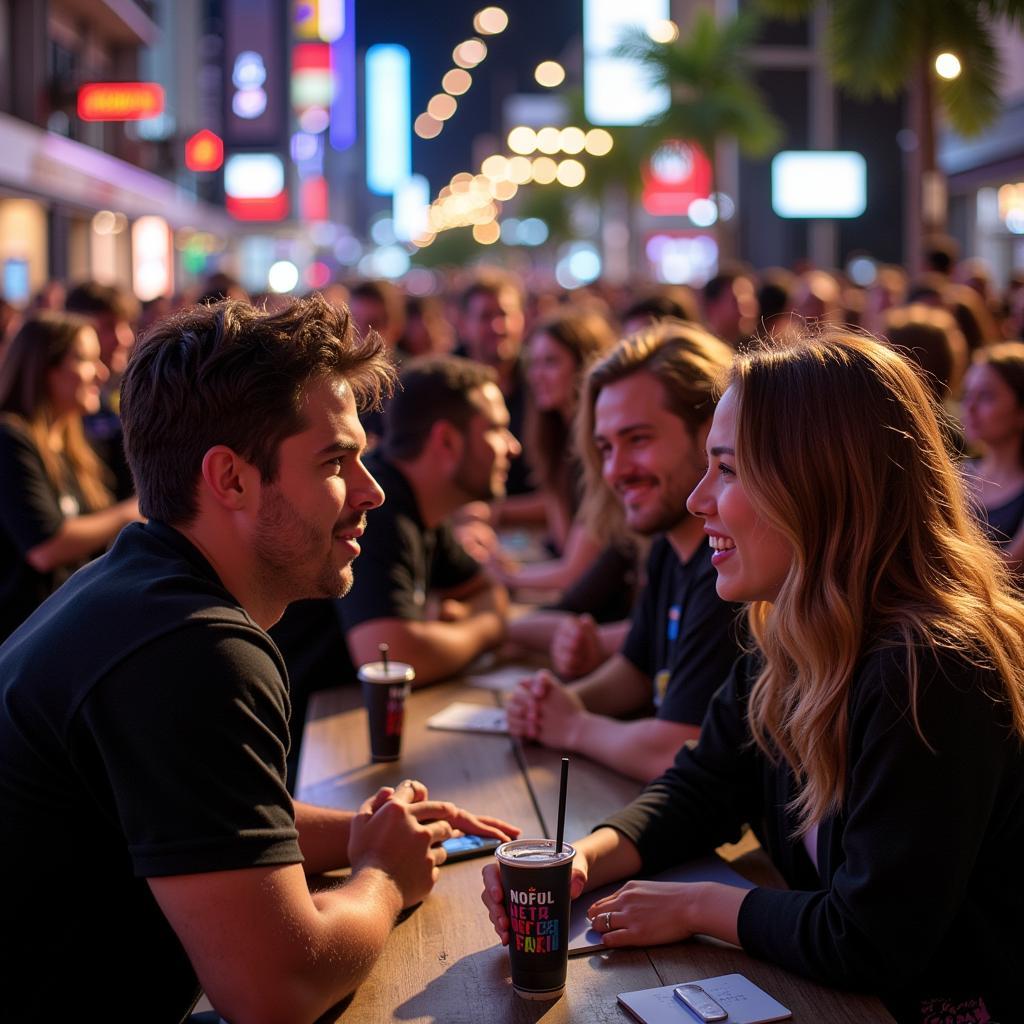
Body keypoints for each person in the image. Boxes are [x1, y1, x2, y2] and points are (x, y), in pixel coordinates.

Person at [0, 295, 516, 1023]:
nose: (370, 493)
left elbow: (201, 818)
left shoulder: (135, 587)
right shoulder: (191, 648)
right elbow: (277, 992)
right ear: (231, 479)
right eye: (337, 461)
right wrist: (382, 876)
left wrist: (359, 834)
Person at [484, 329, 1024, 1024]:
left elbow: (871, 940)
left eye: (729, 469)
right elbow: (702, 786)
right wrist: (580, 862)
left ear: (817, 482)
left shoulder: (934, 668)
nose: (699, 499)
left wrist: (703, 905)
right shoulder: (792, 636)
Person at [506, 322, 743, 783]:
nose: (616, 470)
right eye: (605, 448)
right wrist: (559, 702)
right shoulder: (668, 547)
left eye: (638, 440)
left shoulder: (733, 570)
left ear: (709, 432)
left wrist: (573, 724)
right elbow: (634, 670)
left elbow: (677, 748)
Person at [338, 355, 516, 682]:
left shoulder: (425, 507)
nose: (513, 447)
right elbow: (391, 658)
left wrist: (467, 623)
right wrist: (488, 629)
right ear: (446, 441)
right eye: (496, 429)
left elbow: (489, 590)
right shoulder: (375, 510)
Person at [0, 311, 140, 641]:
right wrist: (131, 512)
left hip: (65, 631)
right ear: (43, 370)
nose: (101, 372)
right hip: (21, 641)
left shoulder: (71, 443)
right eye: (84, 360)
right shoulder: (9, 439)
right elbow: (45, 547)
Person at [491, 310, 616, 595]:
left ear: (586, 364)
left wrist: (502, 573)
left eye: (551, 362)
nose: (537, 376)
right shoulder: (556, 436)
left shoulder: (604, 443)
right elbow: (564, 542)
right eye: (533, 364)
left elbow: (574, 572)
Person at [961, 342, 1024, 562]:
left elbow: (1011, 569)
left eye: (986, 396)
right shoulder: (955, 476)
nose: (970, 407)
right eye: (967, 394)